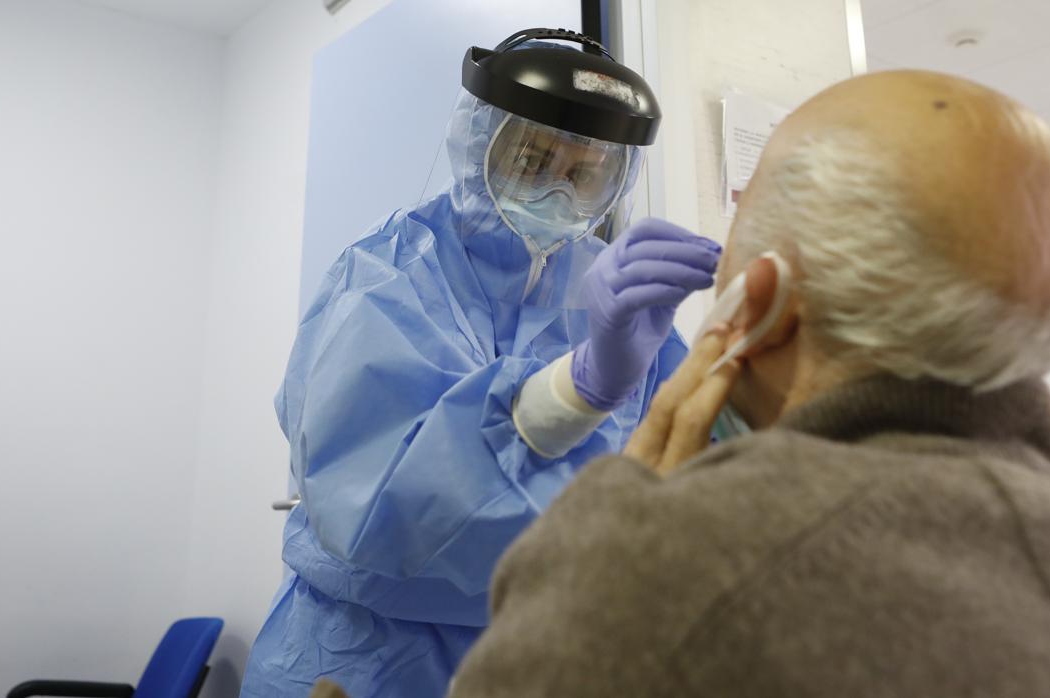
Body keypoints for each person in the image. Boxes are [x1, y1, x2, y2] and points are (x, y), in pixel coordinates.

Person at [448, 70, 1050, 697]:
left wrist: (606, 558)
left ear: (759, 304)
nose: (558, 191)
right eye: (534, 163)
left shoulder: (658, 569)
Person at [240, 29, 720, 697]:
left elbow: (686, 457)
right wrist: (574, 392)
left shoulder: (606, 294)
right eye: (532, 160)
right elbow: (379, 503)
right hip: (364, 656)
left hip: (535, 654)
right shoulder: (389, 275)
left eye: (586, 173)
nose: (558, 192)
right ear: (478, 145)